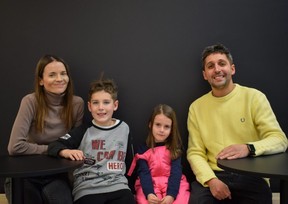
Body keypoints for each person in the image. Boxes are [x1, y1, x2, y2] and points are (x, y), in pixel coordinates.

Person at [186, 43, 288, 204]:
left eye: (222, 63)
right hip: (214, 175)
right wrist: (211, 181)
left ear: (232, 69)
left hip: (252, 176)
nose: (217, 69)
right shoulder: (196, 108)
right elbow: (195, 152)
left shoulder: (254, 97)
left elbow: (279, 139)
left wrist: (248, 148)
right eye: (210, 66)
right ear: (205, 74)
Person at [5, 54, 84, 204]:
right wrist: (56, 150)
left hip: (57, 174)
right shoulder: (30, 101)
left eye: (63, 73)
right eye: (52, 75)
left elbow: (75, 144)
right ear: (41, 80)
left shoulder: (77, 104)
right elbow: (14, 147)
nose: (60, 79)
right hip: (26, 172)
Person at [47, 76, 136, 204]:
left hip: (118, 186)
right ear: (89, 106)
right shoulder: (84, 130)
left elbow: (130, 162)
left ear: (115, 105)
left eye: (106, 102)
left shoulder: (124, 128)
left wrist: (132, 189)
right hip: (88, 189)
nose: (100, 107)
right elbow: (54, 146)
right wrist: (66, 152)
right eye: (95, 103)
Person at [128, 104, 190, 204]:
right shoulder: (142, 149)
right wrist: (149, 193)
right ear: (150, 124)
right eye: (158, 125)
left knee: (181, 200)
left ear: (171, 129)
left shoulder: (175, 148)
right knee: (145, 201)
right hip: (150, 184)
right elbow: (144, 173)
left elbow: (176, 172)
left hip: (172, 183)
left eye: (166, 126)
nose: (162, 130)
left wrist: (171, 195)